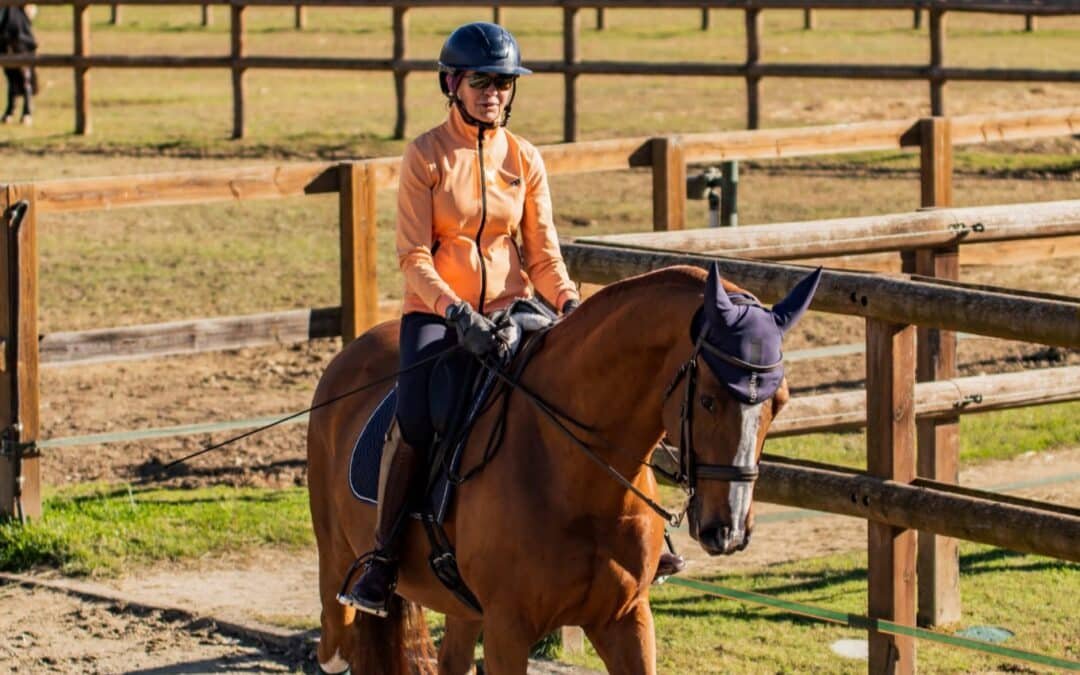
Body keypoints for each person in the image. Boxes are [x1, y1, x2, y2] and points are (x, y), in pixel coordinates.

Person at [339, 21, 680, 618]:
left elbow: (543, 253)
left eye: (502, 82)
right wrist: (455, 312)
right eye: (481, 81)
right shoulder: (425, 155)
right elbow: (413, 256)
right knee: (419, 417)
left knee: (586, 397)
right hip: (438, 315)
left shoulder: (524, 157)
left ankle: (646, 531)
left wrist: (570, 306)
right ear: (452, 84)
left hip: (517, 310)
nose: (493, 93)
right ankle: (384, 558)